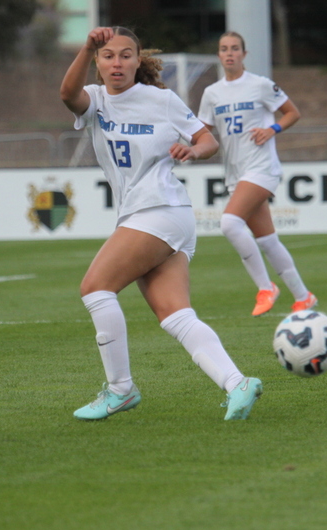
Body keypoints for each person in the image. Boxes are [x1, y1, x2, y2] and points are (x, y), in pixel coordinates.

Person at [60, 26, 262, 421]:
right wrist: (86, 47)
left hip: (160, 209)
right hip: (159, 216)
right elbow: (68, 94)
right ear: (97, 64)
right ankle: (237, 382)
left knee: (95, 288)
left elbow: (208, 141)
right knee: (175, 315)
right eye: (107, 56)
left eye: (125, 55)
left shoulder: (161, 99)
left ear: (139, 61)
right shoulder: (96, 100)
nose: (116, 63)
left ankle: (120, 389)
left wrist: (193, 149)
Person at [198, 31, 316, 318]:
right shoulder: (212, 93)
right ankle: (303, 295)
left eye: (235, 48)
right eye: (224, 49)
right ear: (219, 55)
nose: (230, 53)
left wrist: (271, 129)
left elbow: (292, 112)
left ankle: (266, 287)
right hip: (235, 173)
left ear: (244, 54)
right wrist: (179, 144)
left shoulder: (260, 85)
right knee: (267, 240)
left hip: (262, 167)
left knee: (228, 223)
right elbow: (202, 131)